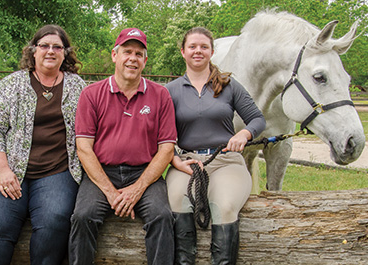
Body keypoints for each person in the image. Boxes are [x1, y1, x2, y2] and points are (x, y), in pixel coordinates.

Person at [0, 25, 86, 265]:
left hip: (57, 171)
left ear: (65, 53)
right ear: (33, 51)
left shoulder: (78, 87)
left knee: (55, 221)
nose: (50, 51)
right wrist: (3, 170)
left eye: (57, 47)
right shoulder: (11, 84)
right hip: (8, 169)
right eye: (44, 46)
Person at [69, 28, 177, 265]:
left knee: (162, 216)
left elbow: (166, 149)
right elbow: (84, 149)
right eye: (127, 51)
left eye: (139, 54)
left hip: (144, 173)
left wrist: (136, 190)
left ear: (145, 61)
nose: (133, 58)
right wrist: (111, 193)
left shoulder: (160, 95)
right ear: (114, 55)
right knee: (82, 216)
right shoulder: (91, 94)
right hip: (101, 172)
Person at [165, 27, 266, 264]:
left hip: (225, 161)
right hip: (187, 163)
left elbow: (257, 119)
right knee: (177, 203)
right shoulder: (170, 91)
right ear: (183, 52)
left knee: (224, 207)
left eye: (203, 47)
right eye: (192, 47)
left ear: (212, 51)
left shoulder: (229, 85)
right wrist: (174, 159)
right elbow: (161, 134)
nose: (197, 51)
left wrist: (244, 133)